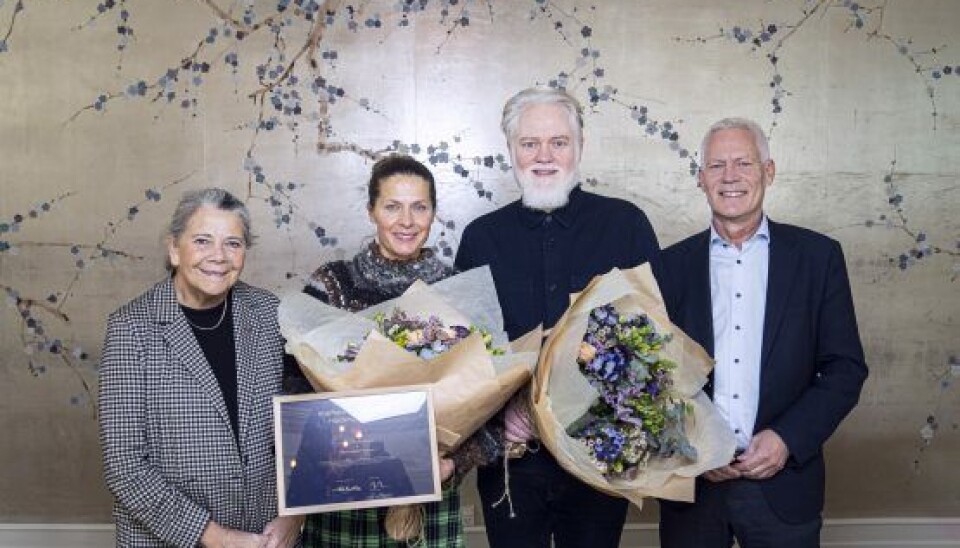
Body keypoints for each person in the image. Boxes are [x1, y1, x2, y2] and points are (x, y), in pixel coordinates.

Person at [454, 86, 663, 548]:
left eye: (559, 142)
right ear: (511, 150)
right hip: (510, 461)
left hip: (598, 460)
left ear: (580, 146)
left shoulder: (626, 225)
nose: (543, 155)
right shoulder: (481, 239)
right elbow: (462, 358)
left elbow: (656, 344)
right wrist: (498, 415)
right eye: (530, 143)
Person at [657, 118, 869, 548]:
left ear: (768, 172)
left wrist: (788, 438)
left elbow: (845, 369)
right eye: (716, 166)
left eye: (743, 163)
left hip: (785, 487)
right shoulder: (666, 267)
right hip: (692, 489)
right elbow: (647, 379)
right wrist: (694, 445)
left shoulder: (818, 257)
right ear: (700, 180)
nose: (730, 177)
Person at [285, 154, 502, 548]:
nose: (407, 221)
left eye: (419, 207)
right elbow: (293, 384)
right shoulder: (332, 286)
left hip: (431, 497)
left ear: (433, 213)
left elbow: (491, 398)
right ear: (372, 211)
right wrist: (337, 448)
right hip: (342, 496)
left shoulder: (458, 292)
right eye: (392, 206)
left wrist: (453, 463)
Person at [98, 188, 303, 547]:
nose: (219, 257)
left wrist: (294, 515)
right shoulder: (131, 329)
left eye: (233, 244)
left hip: (266, 534)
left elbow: (302, 424)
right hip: (167, 538)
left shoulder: (269, 313)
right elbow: (125, 466)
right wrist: (217, 537)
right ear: (175, 249)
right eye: (203, 241)